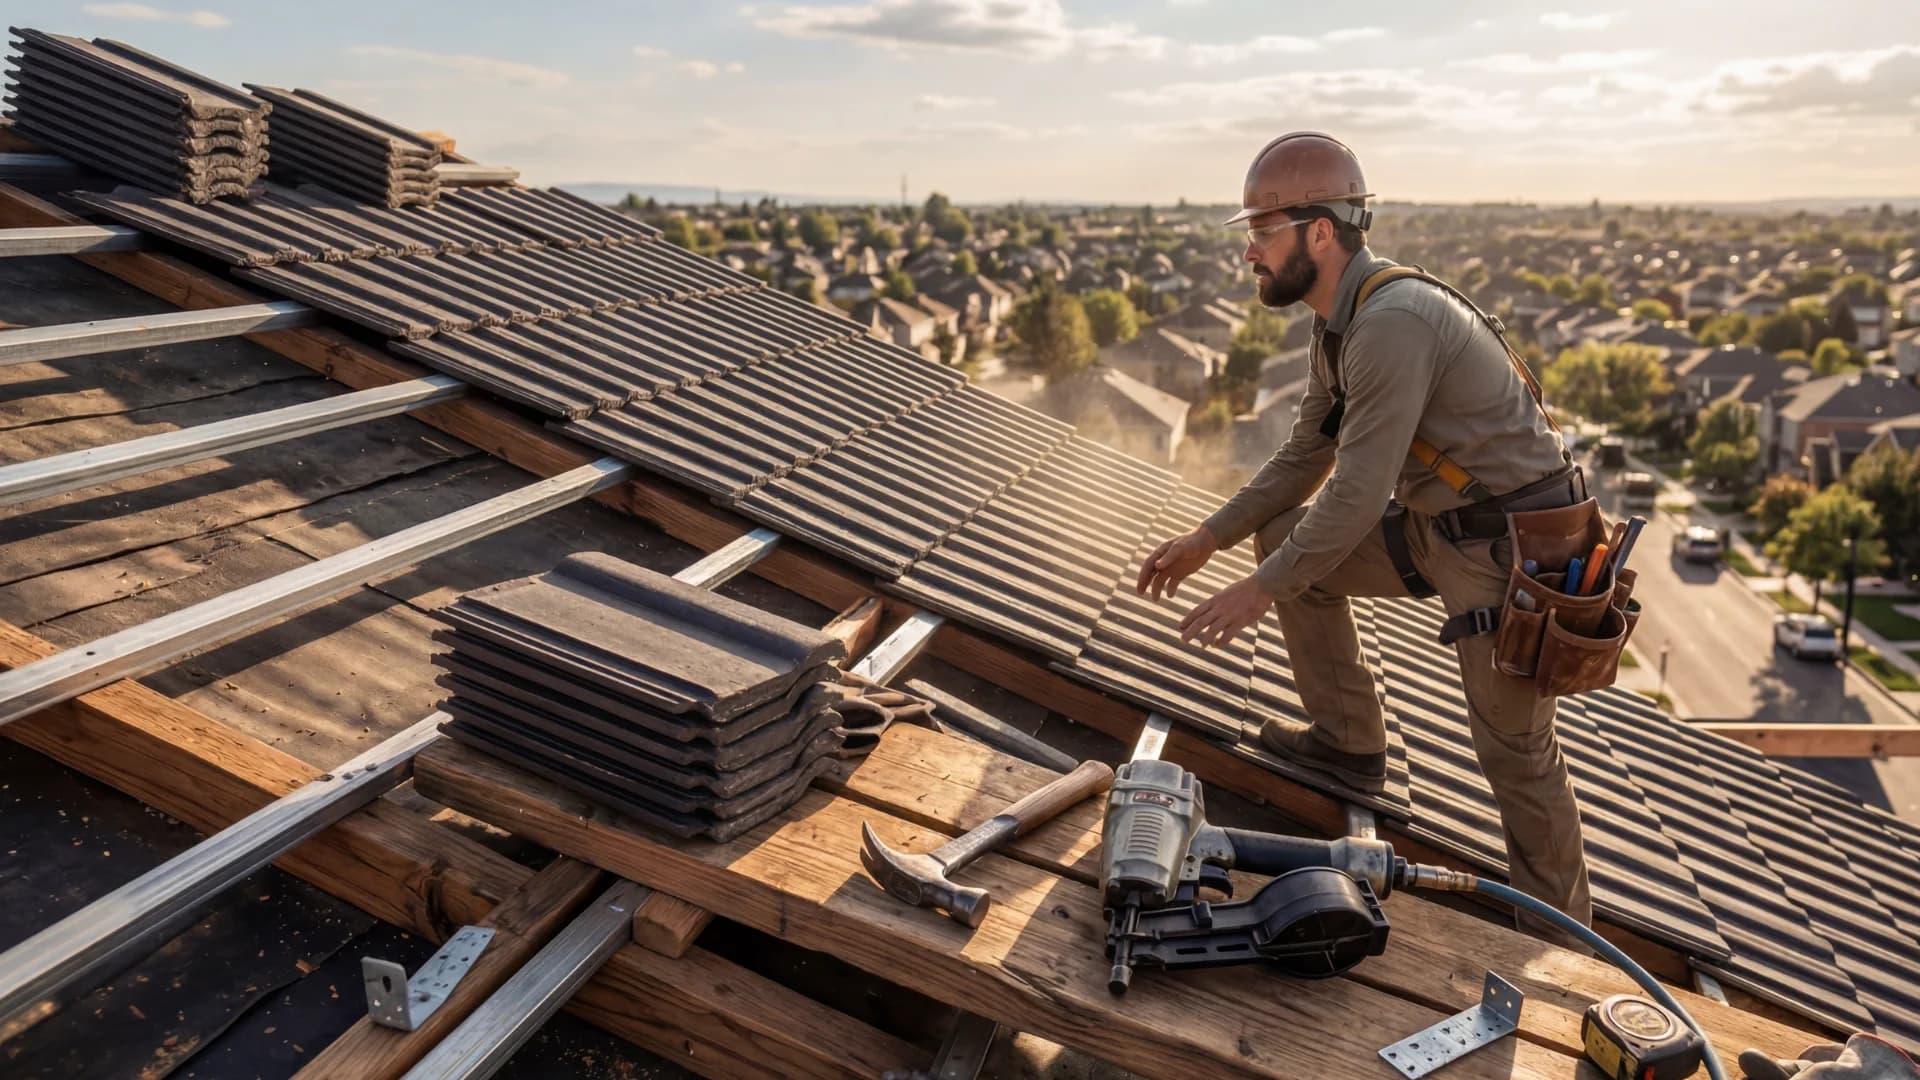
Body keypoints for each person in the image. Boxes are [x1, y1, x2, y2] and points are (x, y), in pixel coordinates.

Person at [1134, 131, 1593, 930]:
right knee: (1283, 535)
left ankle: (1562, 948)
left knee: (1515, 755)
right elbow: (1304, 456)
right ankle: (1348, 739)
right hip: (1440, 529)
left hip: (1512, 550)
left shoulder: (1393, 322)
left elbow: (1356, 493)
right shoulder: (1337, 327)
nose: (1250, 251)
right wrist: (1210, 538)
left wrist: (1257, 592)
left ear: (1321, 230)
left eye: (1262, 230)